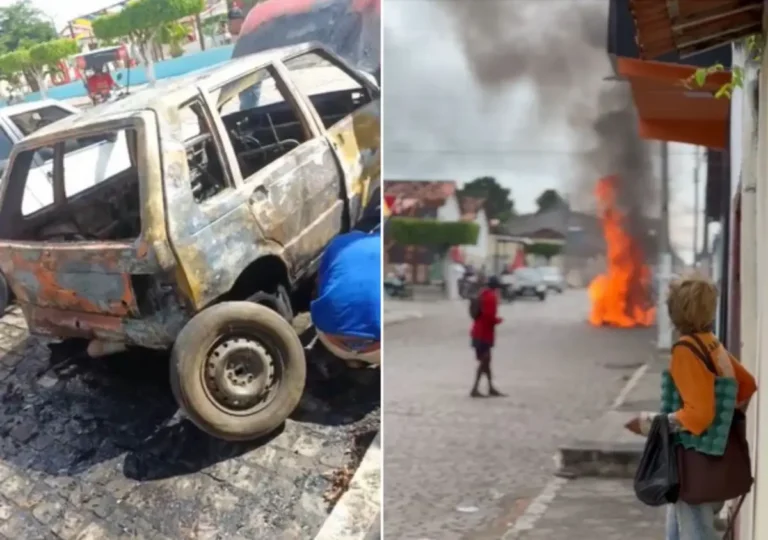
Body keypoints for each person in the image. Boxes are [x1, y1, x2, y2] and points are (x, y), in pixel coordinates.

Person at [625, 275, 757, 539]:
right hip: (716, 462)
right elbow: (745, 385)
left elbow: (698, 416)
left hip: (693, 463)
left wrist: (651, 423)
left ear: (676, 311)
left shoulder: (686, 350)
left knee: (696, 530)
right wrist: (723, 423)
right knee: (678, 525)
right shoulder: (711, 344)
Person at [311, 230, 381, 367]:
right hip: (377, 349)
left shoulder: (338, 243)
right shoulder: (382, 249)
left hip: (332, 342)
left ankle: (334, 358)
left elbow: (319, 284)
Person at [470, 275, 504, 397]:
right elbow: (489, 317)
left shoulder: (482, 294)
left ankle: (490, 387)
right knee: (484, 361)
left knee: (487, 362)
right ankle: (474, 388)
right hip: (484, 333)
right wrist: (498, 320)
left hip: (477, 332)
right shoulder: (491, 297)